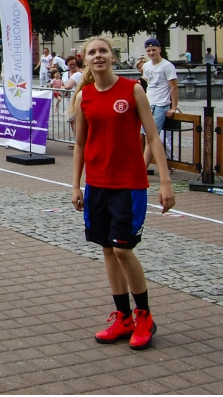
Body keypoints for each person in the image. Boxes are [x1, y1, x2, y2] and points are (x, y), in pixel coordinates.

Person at [71, 37, 174, 350]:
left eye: (103, 51)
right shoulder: (84, 96)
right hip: (97, 185)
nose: (98, 56)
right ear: (84, 60)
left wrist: (165, 182)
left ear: (112, 56)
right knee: (107, 249)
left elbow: (153, 137)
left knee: (123, 249)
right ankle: (123, 317)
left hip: (128, 184)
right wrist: (75, 184)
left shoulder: (132, 90)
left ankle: (144, 316)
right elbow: (79, 145)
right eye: (92, 52)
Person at [141, 38, 178, 169]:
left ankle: (143, 169)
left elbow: (174, 87)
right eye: (149, 50)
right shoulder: (146, 66)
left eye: (153, 50)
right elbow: (147, 83)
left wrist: (173, 107)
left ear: (159, 49)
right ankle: (164, 163)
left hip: (161, 104)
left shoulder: (167, 66)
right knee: (146, 137)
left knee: (151, 138)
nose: (151, 53)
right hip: (148, 103)